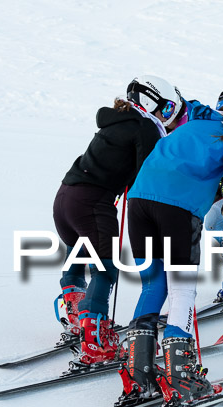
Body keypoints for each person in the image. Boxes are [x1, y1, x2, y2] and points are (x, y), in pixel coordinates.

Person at [115, 88, 223, 407]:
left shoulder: (189, 125)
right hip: (177, 211)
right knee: (182, 291)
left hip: (139, 204)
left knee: (153, 284)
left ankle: (140, 377)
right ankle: (182, 376)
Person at [53, 75, 182, 368]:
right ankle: (95, 339)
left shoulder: (116, 121)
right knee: (106, 267)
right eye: (165, 107)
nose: (166, 115)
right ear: (150, 101)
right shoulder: (145, 125)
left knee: (80, 251)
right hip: (92, 202)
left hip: (65, 198)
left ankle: (78, 316)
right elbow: (147, 176)